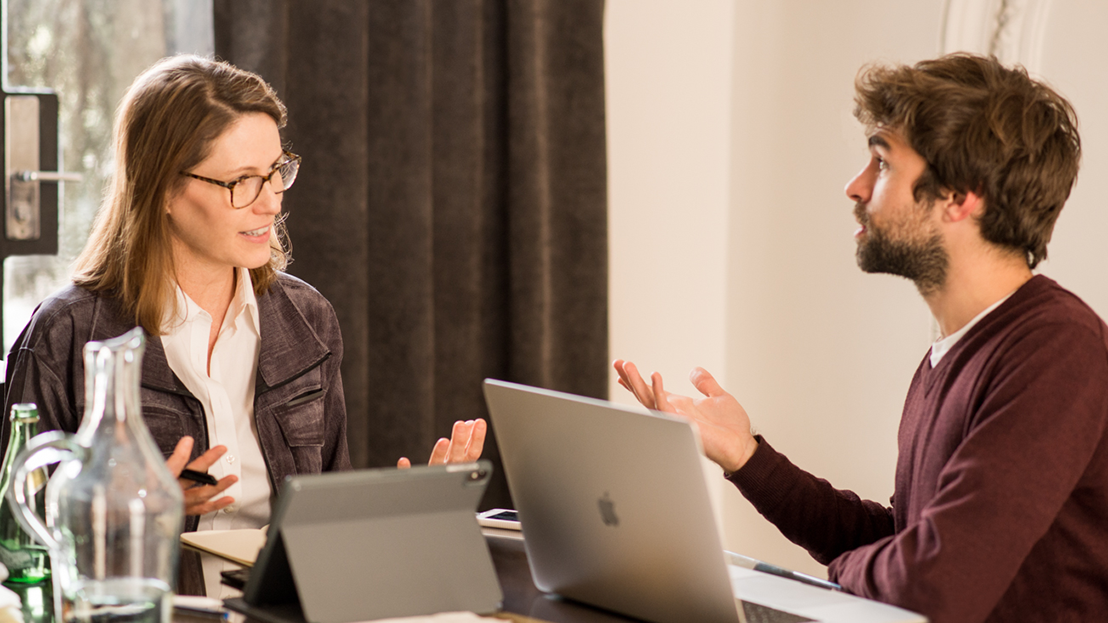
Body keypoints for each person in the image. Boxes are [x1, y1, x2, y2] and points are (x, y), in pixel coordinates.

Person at [615, 53, 1108, 623]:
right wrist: (746, 456)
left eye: (881, 163)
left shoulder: (1055, 350)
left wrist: (831, 581)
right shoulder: (950, 355)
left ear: (961, 194)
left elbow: (933, 583)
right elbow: (903, 541)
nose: (855, 186)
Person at [0, 55, 486, 597]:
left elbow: (324, 535)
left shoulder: (309, 323)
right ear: (161, 189)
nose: (272, 202)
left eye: (277, 172)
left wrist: (406, 513)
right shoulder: (67, 334)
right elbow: (17, 547)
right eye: (241, 182)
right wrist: (138, 512)